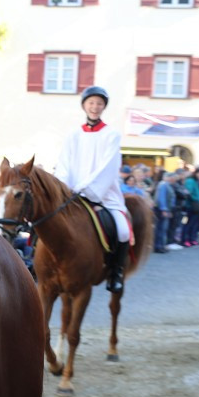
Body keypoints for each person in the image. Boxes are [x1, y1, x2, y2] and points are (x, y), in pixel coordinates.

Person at [54, 87, 130, 292]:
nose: (95, 107)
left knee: (122, 230)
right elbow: (64, 164)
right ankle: (37, 263)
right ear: (84, 105)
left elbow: (108, 167)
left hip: (103, 195)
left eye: (99, 104)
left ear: (104, 107)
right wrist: (64, 188)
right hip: (71, 195)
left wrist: (85, 188)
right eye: (91, 103)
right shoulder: (73, 135)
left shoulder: (111, 135)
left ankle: (116, 272)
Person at [153, 172, 177, 254]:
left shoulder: (166, 185)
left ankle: (161, 245)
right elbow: (161, 198)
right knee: (161, 228)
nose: (174, 179)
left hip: (166, 209)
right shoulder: (163, 185)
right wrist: (164, 209)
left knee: (163, 228)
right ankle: (158, 246)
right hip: (162, 210)